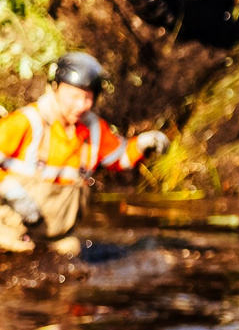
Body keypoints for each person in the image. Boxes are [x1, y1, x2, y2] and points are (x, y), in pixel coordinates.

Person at [0, 52, 168, 256]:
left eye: (88, 97)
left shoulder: (94, 129)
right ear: (54, 89)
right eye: (74, 96)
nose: (81, 105)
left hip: (55, 238)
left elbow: (120, 156)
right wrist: (9, 190)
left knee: (72, 253)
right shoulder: (27, 122)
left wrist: (143, 144)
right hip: (7, 231)